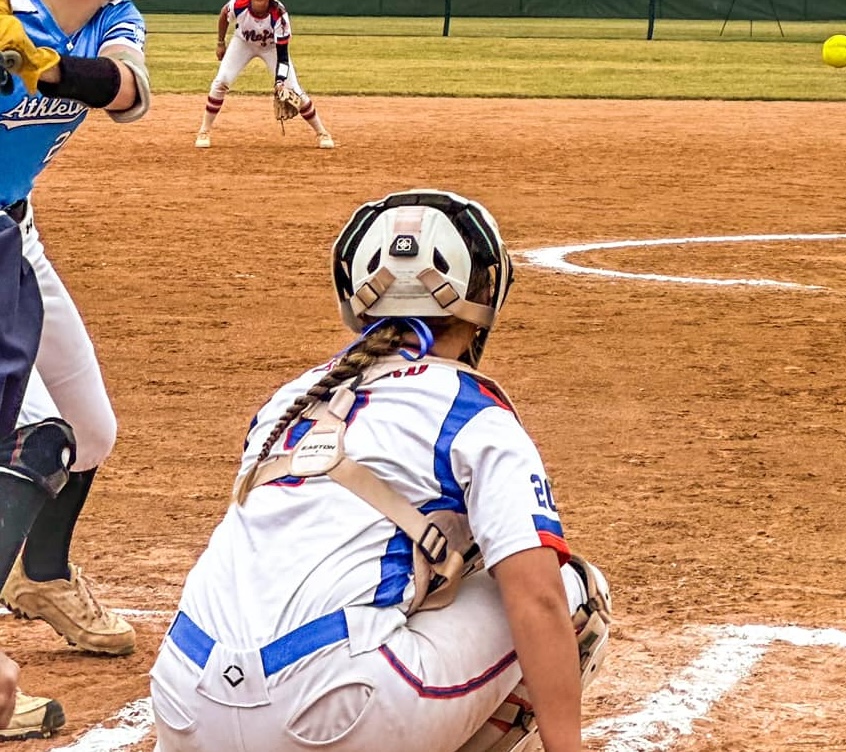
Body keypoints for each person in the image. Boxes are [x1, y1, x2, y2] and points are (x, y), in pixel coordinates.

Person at [150, 189, 611, 752]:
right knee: (570, 590)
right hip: (337, 711)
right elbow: (536, 599)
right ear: (485, 291)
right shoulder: (471, 409)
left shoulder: (290, 398)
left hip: (182, 702)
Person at [0, 0, 177, 739]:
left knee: (90, 432)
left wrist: (46, 67)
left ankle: (42, 575)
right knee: (38, 438)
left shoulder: (108, 18)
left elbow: (132, 96)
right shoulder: (3, 8)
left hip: (12, 227)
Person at [194, 0, 335, 149]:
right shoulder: (239, 3)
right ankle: (204, 131)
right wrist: (220, 43)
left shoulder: (279, 15)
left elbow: (282, 54)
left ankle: (322, 132)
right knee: (221, 82)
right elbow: (224, 16)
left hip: (272, 48)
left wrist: (280, 81)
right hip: (243, 43)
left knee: (294, 90)